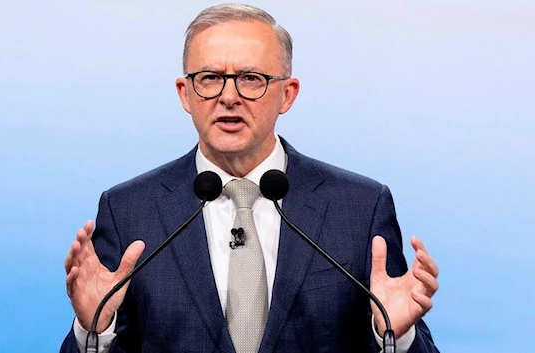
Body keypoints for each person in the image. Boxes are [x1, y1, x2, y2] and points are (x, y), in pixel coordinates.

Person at [61, 3, 440, 352]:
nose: (229, 97)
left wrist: (397, 333)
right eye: (209, 78)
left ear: (287, 95)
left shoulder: (358, 207)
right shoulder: (129, 210)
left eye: (251, 78)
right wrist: (93, 328)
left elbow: (406, 336)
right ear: (185, 94)